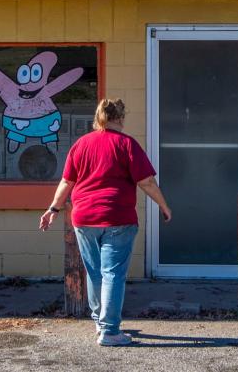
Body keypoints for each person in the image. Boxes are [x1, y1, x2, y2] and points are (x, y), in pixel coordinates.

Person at [40, 98, 172, 346]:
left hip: (84, 219)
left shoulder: (81, 145)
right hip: (117, 219)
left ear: (98, 117)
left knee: (95, 273)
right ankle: (110, 331)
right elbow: (146, 182)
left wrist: (53, 209)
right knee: (112, 274)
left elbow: (67, 182)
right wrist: (164, 206)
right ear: (120, 118)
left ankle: (101, 324)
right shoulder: (126, 144)